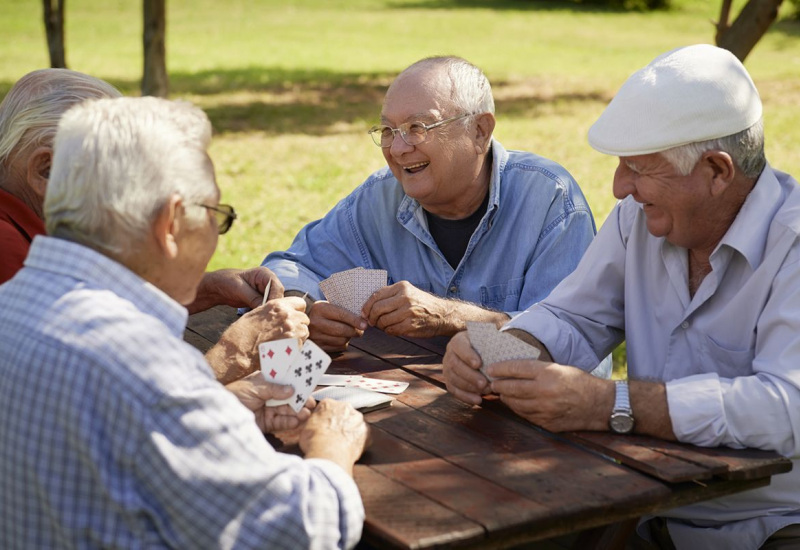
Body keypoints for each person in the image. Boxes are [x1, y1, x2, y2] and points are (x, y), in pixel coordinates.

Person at [443, 44, 800, 549]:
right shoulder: (642, 220)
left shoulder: (794, 246)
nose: (617, 188)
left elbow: (787, 408)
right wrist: (504, 346)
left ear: (718, 172)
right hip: (646, 506)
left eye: (639, 168)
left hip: (774, 523)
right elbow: (575, 314)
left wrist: (613, 405)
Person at [0, 96, 369, 548]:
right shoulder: (143, 362)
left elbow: (118, 445)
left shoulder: (13, 303)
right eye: (217, 216)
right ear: (171, 223)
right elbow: (303, 529)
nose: (215, 235)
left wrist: (223, 408)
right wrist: (334, 441)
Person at [262, 56, 602, 358]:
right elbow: (288, 267)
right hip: (411, 418)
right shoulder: (379, 198)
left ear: (480, 131)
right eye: (388, 130)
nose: (397, 149)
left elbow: (567, 346)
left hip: (525, 421)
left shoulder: (550, 201)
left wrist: (451, 318)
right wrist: (305, 309)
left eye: (417, 128)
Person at [0, 68, 296, 385]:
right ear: (46, 170)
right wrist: (233, 354)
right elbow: (107, 396)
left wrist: (206, 289)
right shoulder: (10, 251)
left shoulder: (39, 236)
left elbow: (104, 303)